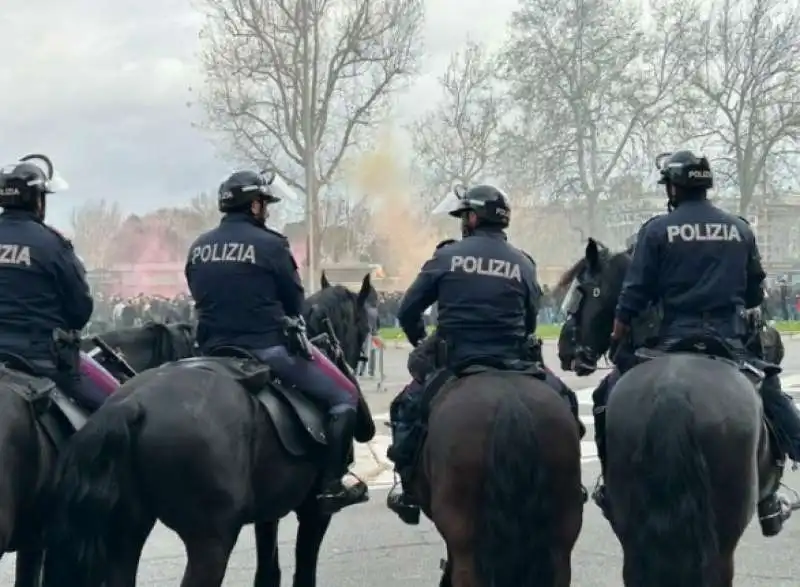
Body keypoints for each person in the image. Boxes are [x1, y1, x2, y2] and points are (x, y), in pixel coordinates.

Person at [593, 150, 800, 534]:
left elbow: (634, 294)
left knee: (607, 395)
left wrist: (618, 334)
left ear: (673, 187)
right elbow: (755, 293)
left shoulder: (656, 231)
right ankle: (770, 497)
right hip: (728, 340)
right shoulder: (739, 228)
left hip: (672, 339)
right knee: (771, 395)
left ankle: (610, 484)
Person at [385, 184, 585, 521]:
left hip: (457, 361)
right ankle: (569, 482)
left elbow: (407, 310)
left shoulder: (446, 256)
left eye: (465, 215)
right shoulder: (523, 262)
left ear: (473, 217)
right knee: (566, 403)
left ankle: (407, 489)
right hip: (514, 360)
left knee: (405, 409)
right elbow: (531, 319)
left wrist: (422, 341)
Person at [185, 169, 366, 514]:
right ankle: (331, 483)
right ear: (254, 205)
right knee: (345, 396)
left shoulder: (199, 246)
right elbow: (296, 303)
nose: (265, 209)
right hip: (266, 348)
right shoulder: (271, 244)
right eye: (264, 203)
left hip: (211, 350)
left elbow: (197, 292)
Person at [0, 155, 114, 411]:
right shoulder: (52, 244)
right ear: (37, 200)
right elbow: (79, 310)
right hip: (38, 359)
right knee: (113, 413)